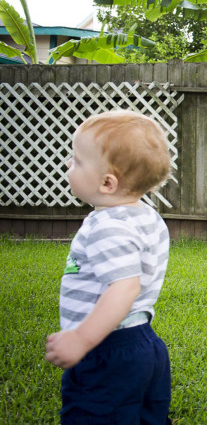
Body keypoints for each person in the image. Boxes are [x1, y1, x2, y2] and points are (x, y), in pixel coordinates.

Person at [45, 110, 173, 424]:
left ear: (107, 182)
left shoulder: (107, 226)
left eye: (77, 160)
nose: (68, 165)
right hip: (145, 344)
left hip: (107, 349)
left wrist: (81, 339)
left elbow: (124, 287)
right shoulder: (145, 215)